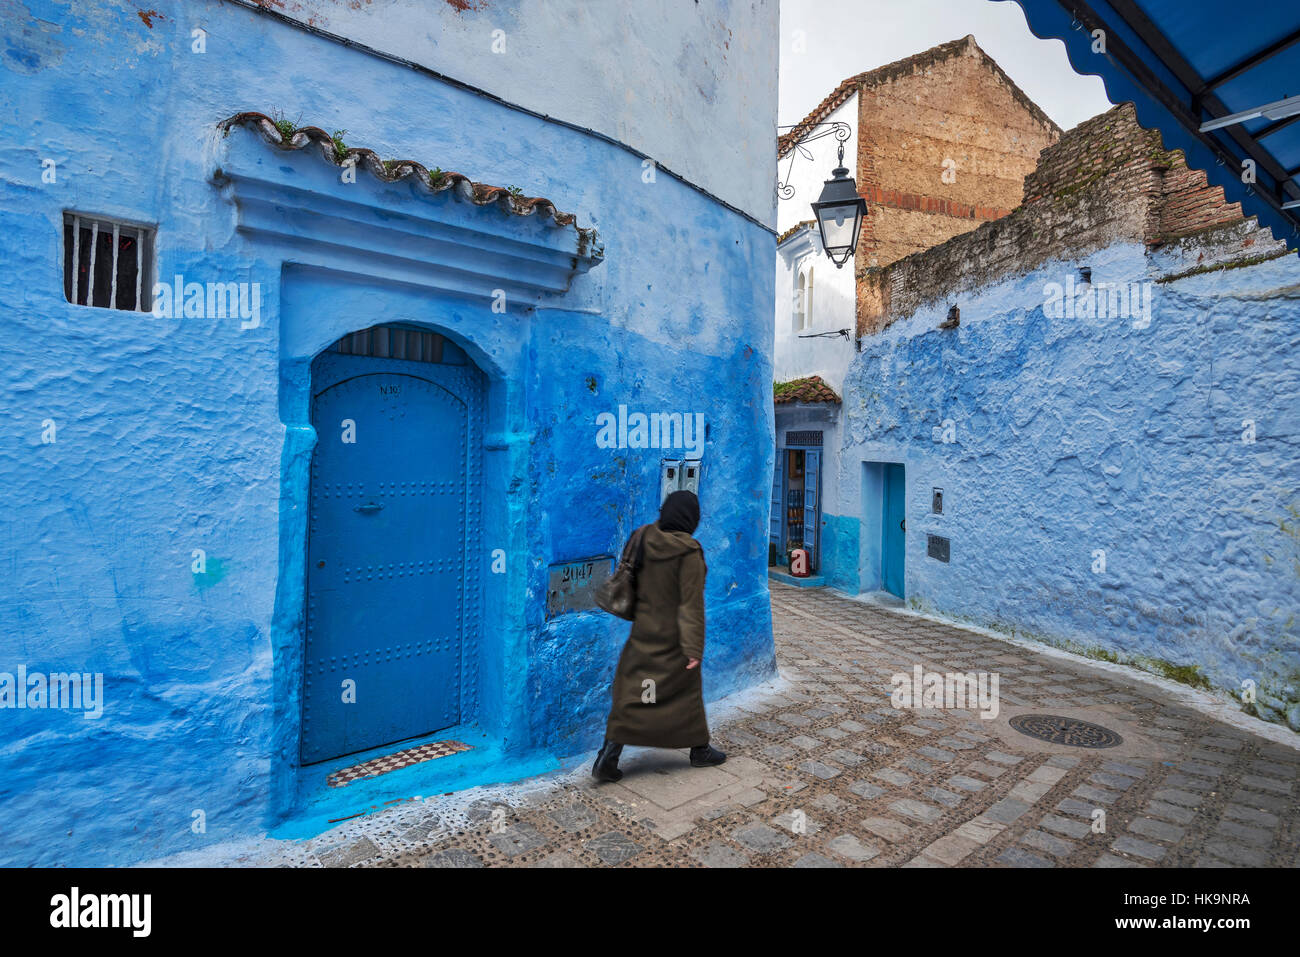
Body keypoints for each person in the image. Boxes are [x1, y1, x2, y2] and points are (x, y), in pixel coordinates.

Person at [592, 490, 725, 782]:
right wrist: (693, 648)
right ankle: (700, 751)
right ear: (690, 519)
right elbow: (691, 605)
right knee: (686, 695)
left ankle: (608, 756)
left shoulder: (644, 536)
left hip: (643, 634)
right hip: (674, 640)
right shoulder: (689, 552)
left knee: (633, 694)